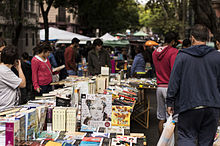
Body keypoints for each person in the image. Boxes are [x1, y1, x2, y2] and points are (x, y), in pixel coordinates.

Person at [166, 24, 220, 146]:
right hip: (212, 106)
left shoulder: (182, 56)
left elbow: (174, 81)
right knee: (206, 142)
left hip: (188, 105)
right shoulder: (217, 57)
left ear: (192, 38)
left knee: (186, 138)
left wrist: (170, 101)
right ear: (207, 39)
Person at [152, 32, 179, 135]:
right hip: (170, 88)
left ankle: (161, 142)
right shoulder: (173, 52)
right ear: (173, 41)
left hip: (159, 87)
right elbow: (174, 71)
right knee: (172, 119)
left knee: (161, 118)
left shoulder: (155, 52)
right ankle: (169, 143)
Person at [0, 45, 26, 110]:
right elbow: (23, 84)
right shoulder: (4, 71)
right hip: (5, 108)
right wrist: (19, 68)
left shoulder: (4, 69)